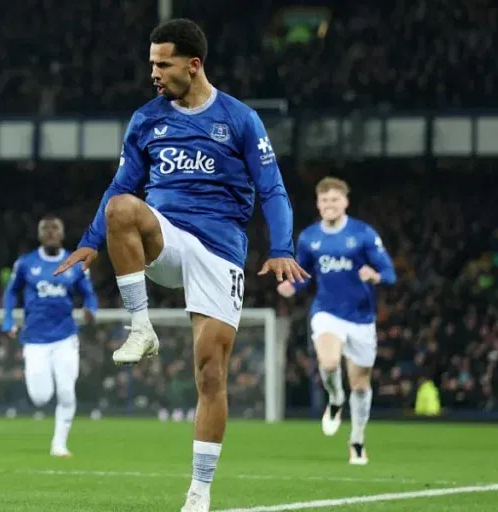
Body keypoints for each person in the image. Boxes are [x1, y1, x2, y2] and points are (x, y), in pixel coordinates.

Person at [54, 19, 308, 512]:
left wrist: (283, 247)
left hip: (219, 251)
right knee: (122, 207)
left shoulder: (239, 119)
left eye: (162, 63)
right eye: (151, 63)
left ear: (193, 65)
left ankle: (199, 490)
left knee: (210, 373)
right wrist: (90, 242)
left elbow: (273, 189)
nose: (153, 72)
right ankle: (140, 326)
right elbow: (118, 186)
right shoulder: (146, 120)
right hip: (165, 239)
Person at [277, 177, 395, 465]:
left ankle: (357, 439)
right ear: (318, 204)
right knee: (328, 363)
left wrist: (375, 276)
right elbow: (304, 273)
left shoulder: (363, 234)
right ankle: (335, 398)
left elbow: (389, 272)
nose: (329, 204)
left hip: (362, 318)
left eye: (335, 199)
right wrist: (293, 285)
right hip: (327, 311)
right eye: (324, 200)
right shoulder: (308, 238)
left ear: (345, 202)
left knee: (360, 383)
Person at [2, 216, 98, 457]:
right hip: (35, 338)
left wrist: (91, 309)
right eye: (46, 229)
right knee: (40, 397)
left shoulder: (74, 264)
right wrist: (8, 319)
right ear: (40, 235)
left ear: (62, 234)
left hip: (66, 336)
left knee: (66, 392)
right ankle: (41, 389)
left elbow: (89, 295)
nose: (51, 233)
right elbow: (11, 293)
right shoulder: (26, 264)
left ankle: (59, 444)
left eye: (55, 229)